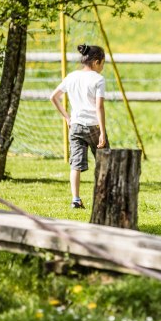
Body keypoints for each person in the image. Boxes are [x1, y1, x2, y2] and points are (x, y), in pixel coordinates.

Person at [50, 44, 108, 209]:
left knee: (75, 165)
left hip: (75, 126)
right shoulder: (98, 79)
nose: (102, 67)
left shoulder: (72, 77)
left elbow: (53, 97)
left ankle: (75, 199)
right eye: (102, 63)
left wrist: (67, 118)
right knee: (105, 162)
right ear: (96, 62)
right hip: (94, 126)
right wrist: (102, 132)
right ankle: (103, 198)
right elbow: (99, 107)